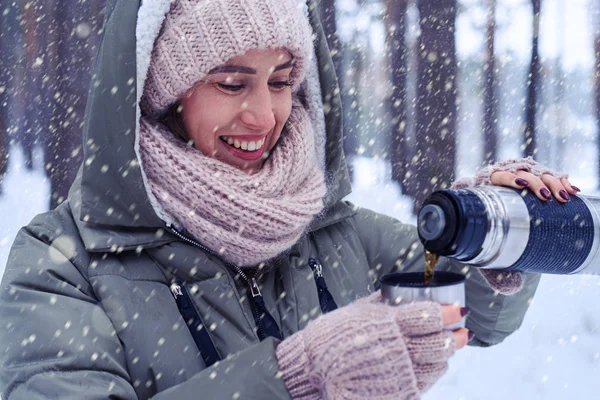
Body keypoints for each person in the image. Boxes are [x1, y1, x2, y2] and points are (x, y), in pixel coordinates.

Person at [0, 0, 580, 399]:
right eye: (232, 83)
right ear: (164, 91)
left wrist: (500, 227)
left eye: (280, 81)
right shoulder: (66, 262)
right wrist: (293, 379)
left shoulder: (329, 230)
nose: (264, 115)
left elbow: (471, 314)